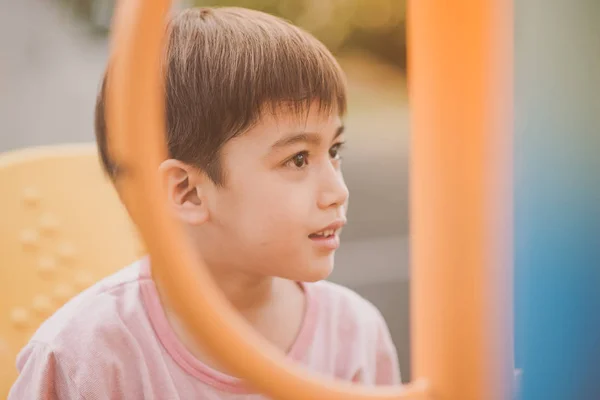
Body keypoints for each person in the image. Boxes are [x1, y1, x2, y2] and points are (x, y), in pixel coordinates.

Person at [9, 7, 400, 399]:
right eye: (298, 159)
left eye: (334, 150)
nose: (338, 191)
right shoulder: (86, 355)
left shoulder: (354, 334)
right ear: (187, 191)